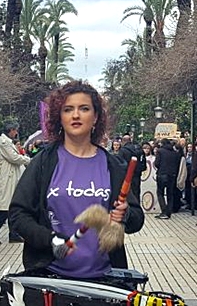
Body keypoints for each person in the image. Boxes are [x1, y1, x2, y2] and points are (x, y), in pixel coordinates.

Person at [9, 80, 144, 277]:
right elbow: (18, 215)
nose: (75, 115)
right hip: (52, 280)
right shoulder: (43, 163)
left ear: (96, 117)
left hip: (103, 280)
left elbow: (136, 220)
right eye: (68, 109)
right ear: (59, 117)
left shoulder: (113, 166)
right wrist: (50, 240)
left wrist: (125, 215)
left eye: (84, 108)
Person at [0, 120, 31, 244]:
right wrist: (29, 160)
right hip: (6, 179)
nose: (16, 132)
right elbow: (14, 158)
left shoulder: (6, 142)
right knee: (5, 209)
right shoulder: (3, 142)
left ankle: (13, 234)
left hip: (10, 178)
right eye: (15, 130)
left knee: (11, 208)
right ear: (11, 130)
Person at [154, 139, 181, 219]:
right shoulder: (175, 153)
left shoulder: (160, 151)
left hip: (162, 174)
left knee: (160, 193)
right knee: (170, 194)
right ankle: (169, 212)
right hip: (172, 175)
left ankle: (164, 211)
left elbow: (157, 163)